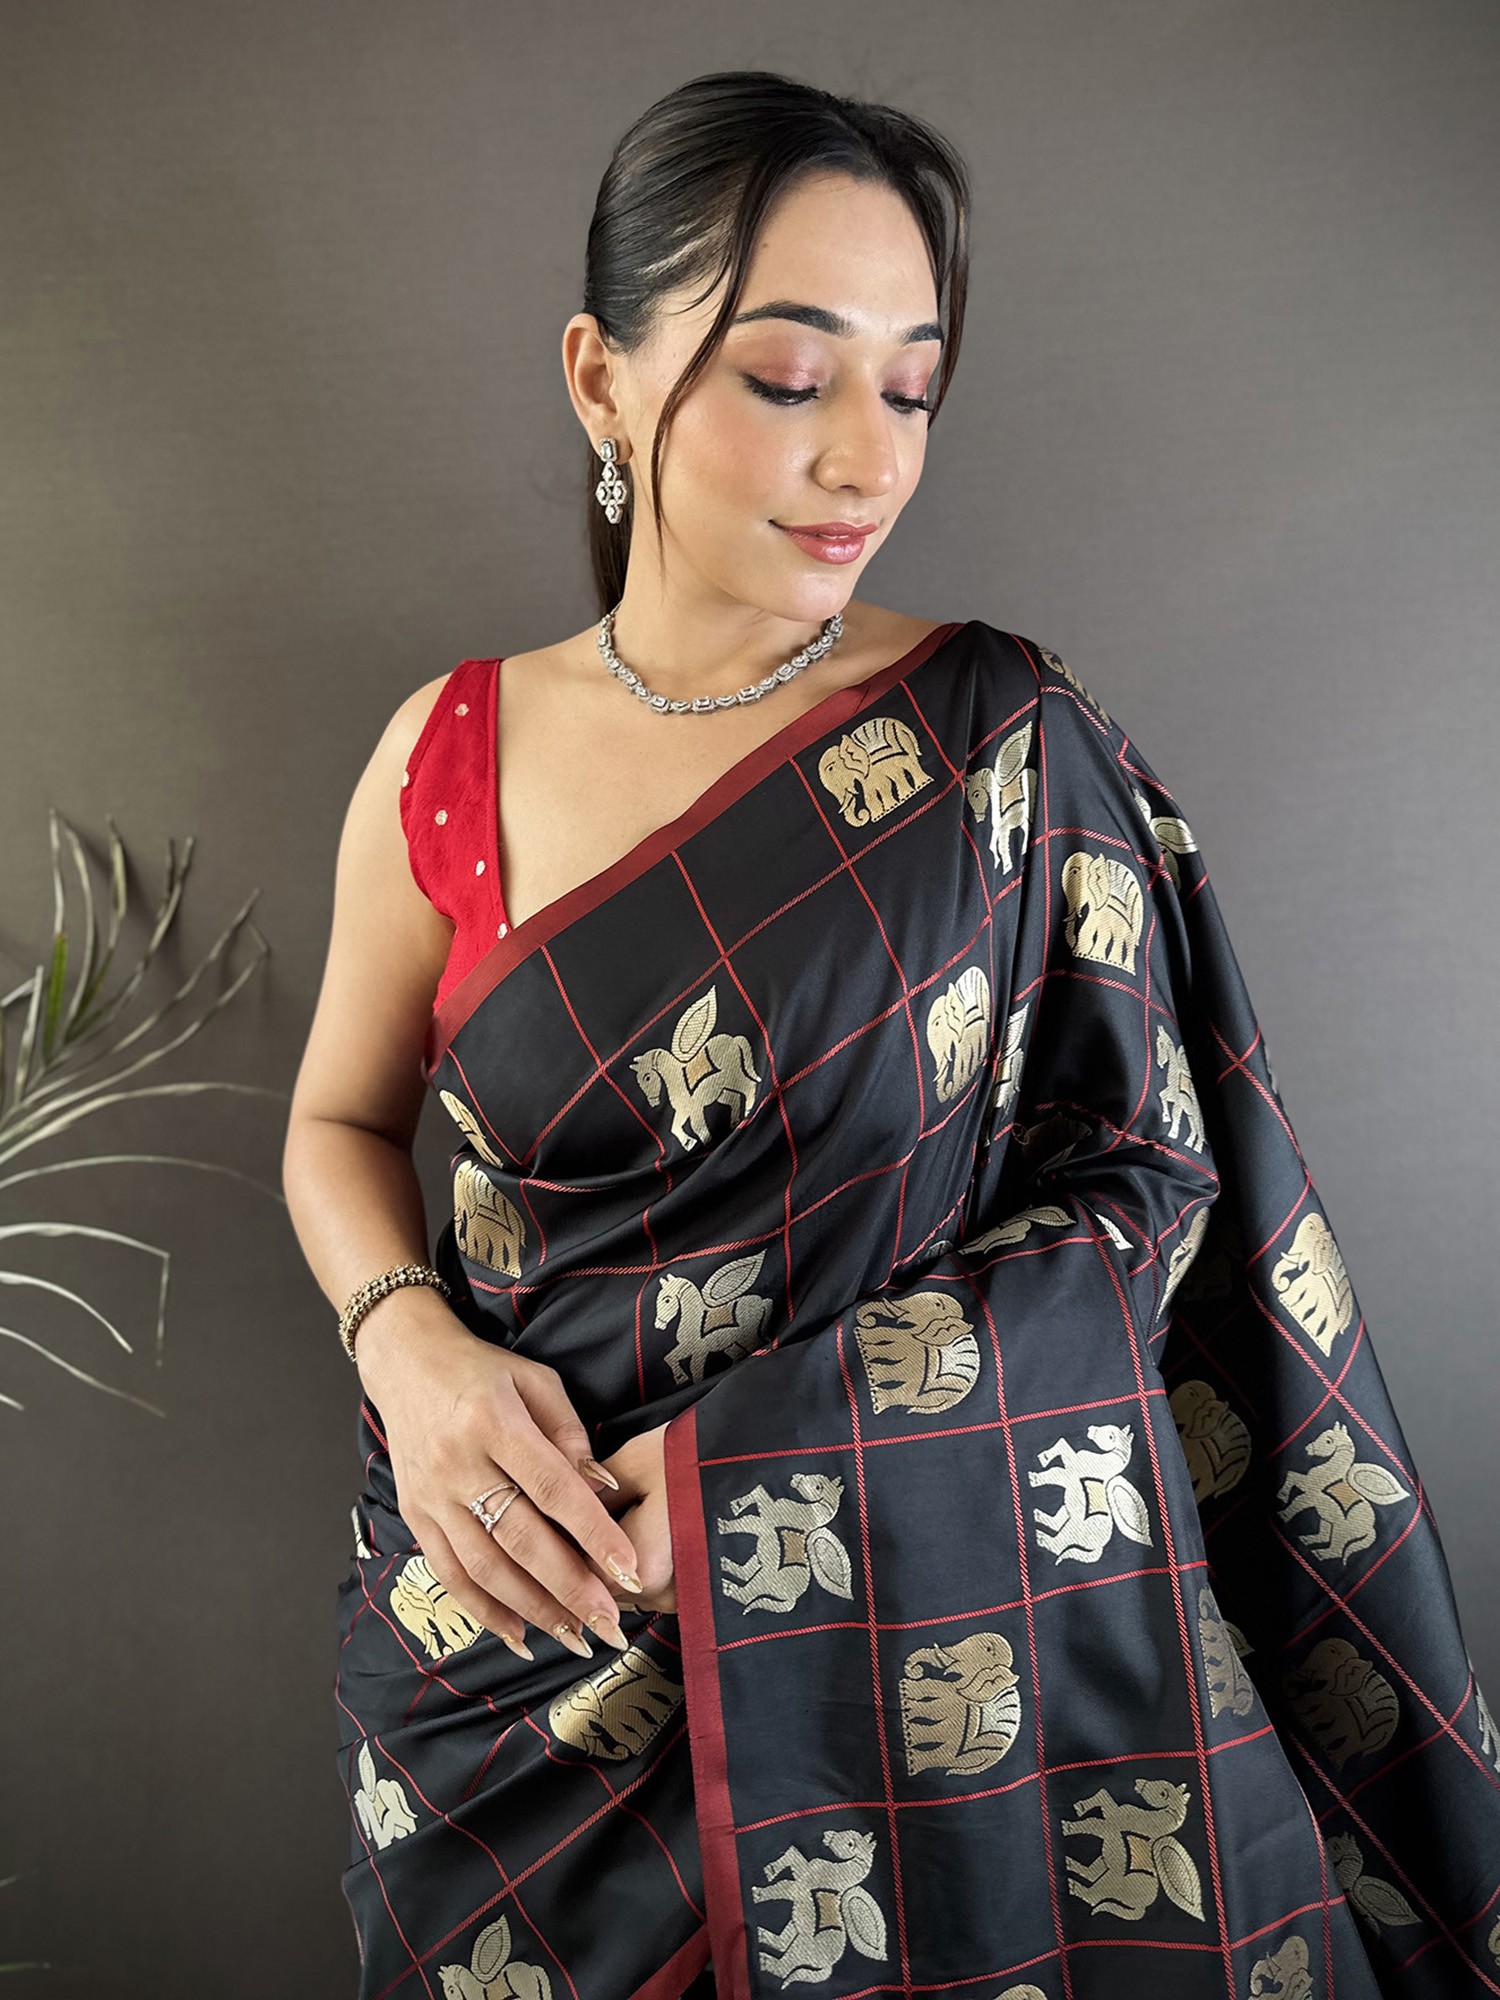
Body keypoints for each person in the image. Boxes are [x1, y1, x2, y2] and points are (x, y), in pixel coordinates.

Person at [282, 69, 1500, 2000]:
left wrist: (751, 1475)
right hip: (501, 1658)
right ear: (602, 380)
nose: (868, 459)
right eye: (791, 379)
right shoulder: (446, 755)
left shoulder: (1002, 747)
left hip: (910, 1648)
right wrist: (408, 1352)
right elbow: (339, 1126)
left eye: (913, 391)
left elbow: (1150, 1191)